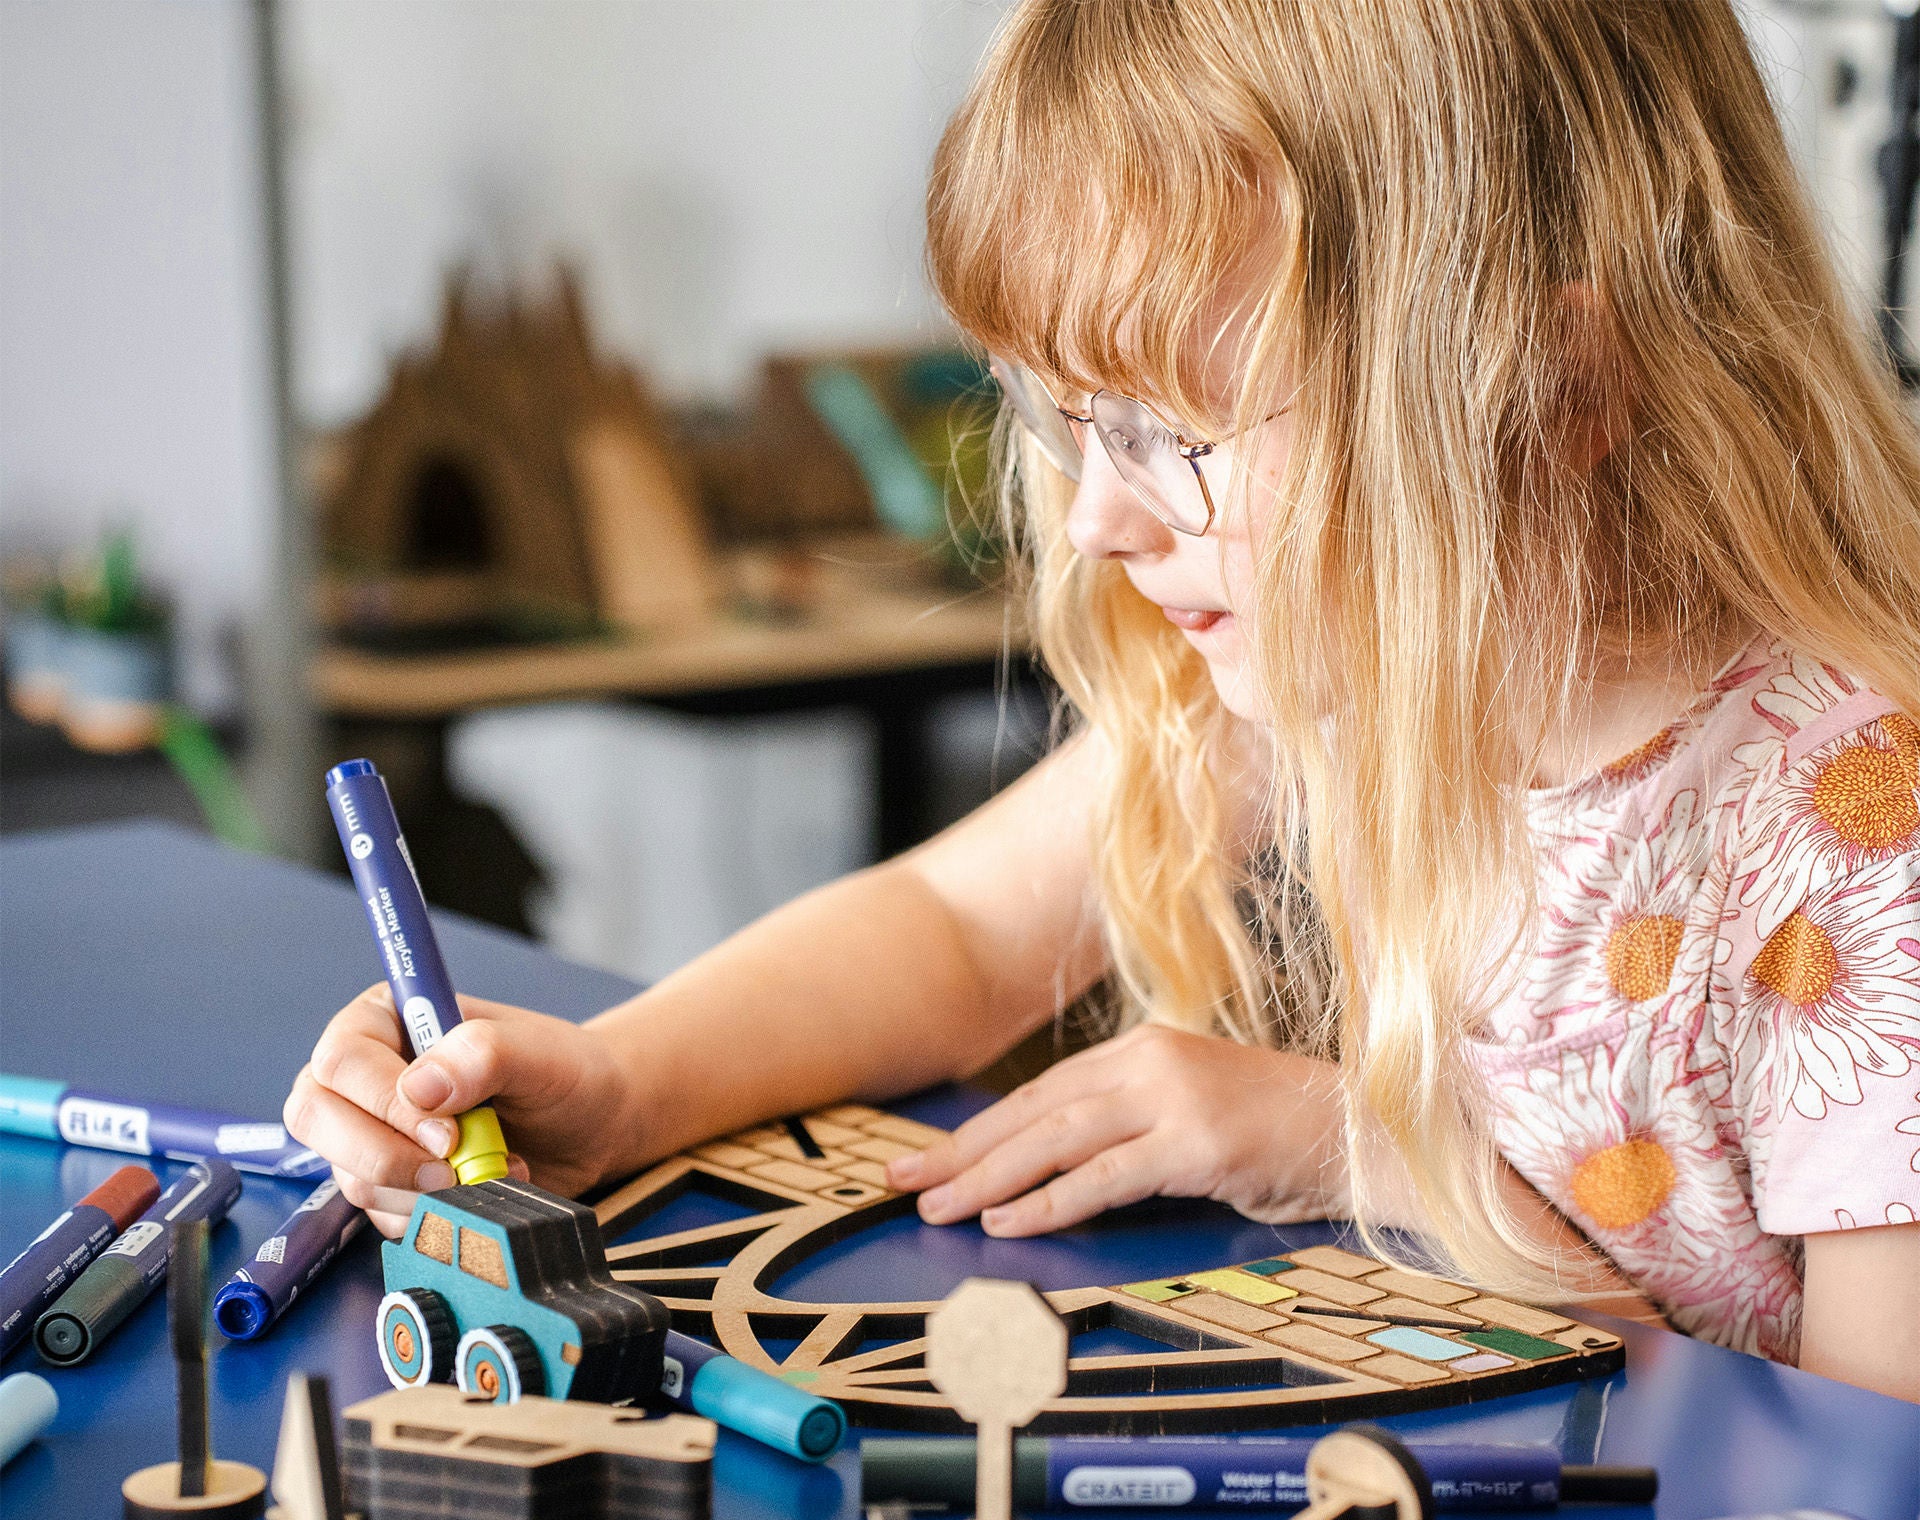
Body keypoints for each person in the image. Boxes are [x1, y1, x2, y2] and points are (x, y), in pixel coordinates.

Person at [286, 0, 1920, 1401]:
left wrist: (1358, 1145)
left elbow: (1877, 1514)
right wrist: (617, 1084)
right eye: (1079, 424)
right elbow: (960, 926)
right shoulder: (1360, 671)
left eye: (1175, 435)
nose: (1095, 521)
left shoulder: (1858, 843)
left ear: (1552, 393)